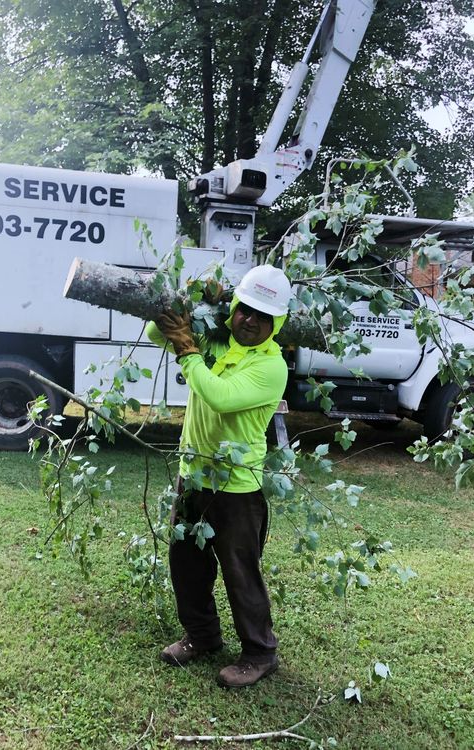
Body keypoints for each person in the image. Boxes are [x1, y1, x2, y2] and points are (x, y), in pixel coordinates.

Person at [146, 264, 292, 688]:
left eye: (262, 316)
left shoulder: (271, 367)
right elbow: (160, 335)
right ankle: (202, 636)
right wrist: (193, 305)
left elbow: (221, 397)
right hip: (193, 476)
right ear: (234, 306)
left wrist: (189, 351)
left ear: (275, 323)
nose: (250, 321)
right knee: (186, 563)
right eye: (245, 309)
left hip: (236, 487)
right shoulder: (216, 336)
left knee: (239, 571)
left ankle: (261, 653)